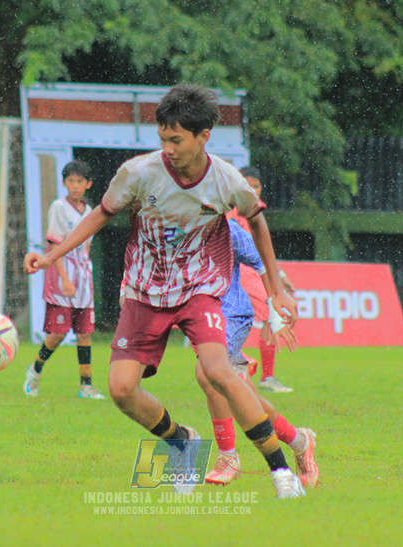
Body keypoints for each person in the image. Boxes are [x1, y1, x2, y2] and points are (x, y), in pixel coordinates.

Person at [24, 84, 305, 498]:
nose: (168, 147)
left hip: (199, 288)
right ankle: (182, 442)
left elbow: (257, 222)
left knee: (217, 371)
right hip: (144, 291)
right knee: (120, 389)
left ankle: (281, 471)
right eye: (163, 139)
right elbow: (102, 214)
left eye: (176, 139)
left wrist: (276, 287)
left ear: (202, 136)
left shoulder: (226, 179)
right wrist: (52, 256)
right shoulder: (139, 173)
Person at [198, 217, 319, 488]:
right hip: (199, 318)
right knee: (244, 399)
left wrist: (274, 315)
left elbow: (262, 263)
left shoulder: (228, 228)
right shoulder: (174, 223)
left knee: (208, 375)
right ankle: (300, 440)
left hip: (230, 314)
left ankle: (228, 456)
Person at [23, 160, 106, 400]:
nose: (75, 185)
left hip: (83, 280)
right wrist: (64, 278)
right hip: (62, 279)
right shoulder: (59, 207)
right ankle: (35, 371)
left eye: (80, 181)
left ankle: (86, 386)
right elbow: (55, 244)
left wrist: (81, 279)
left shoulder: (90, 212)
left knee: (84, 333)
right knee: (58, 334)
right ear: (64, 183)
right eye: (71, 181)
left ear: (88, 184)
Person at [226, 166, 298, 393]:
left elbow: (259, 248)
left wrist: (281, 276)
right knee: (270, 315)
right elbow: (249, 249)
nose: (252, 190)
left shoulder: (252, 212)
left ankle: (243, 368)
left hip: (251, 274)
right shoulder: (235, 212)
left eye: (256, 186)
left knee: (268, 317)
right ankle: (254, 372)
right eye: (248, 185)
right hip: (243, 274)